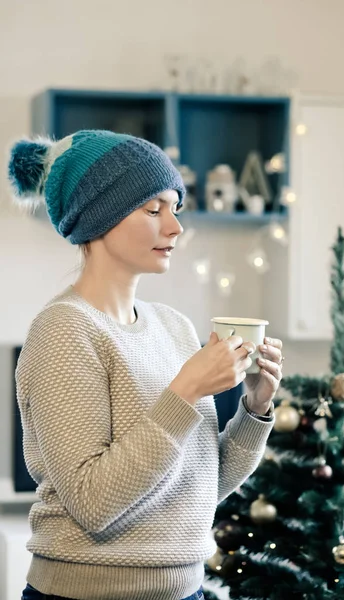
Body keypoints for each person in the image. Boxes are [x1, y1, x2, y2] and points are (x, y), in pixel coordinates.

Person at [8, 130, 283, 600]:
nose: (174, 227)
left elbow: (198, 488)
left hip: (186, 591)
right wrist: (184, 392)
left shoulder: (173, 327)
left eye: (174, 209)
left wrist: (254, 412)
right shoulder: (63, 331)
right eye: (153, 209)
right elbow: (94, 503)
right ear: (98, 216)